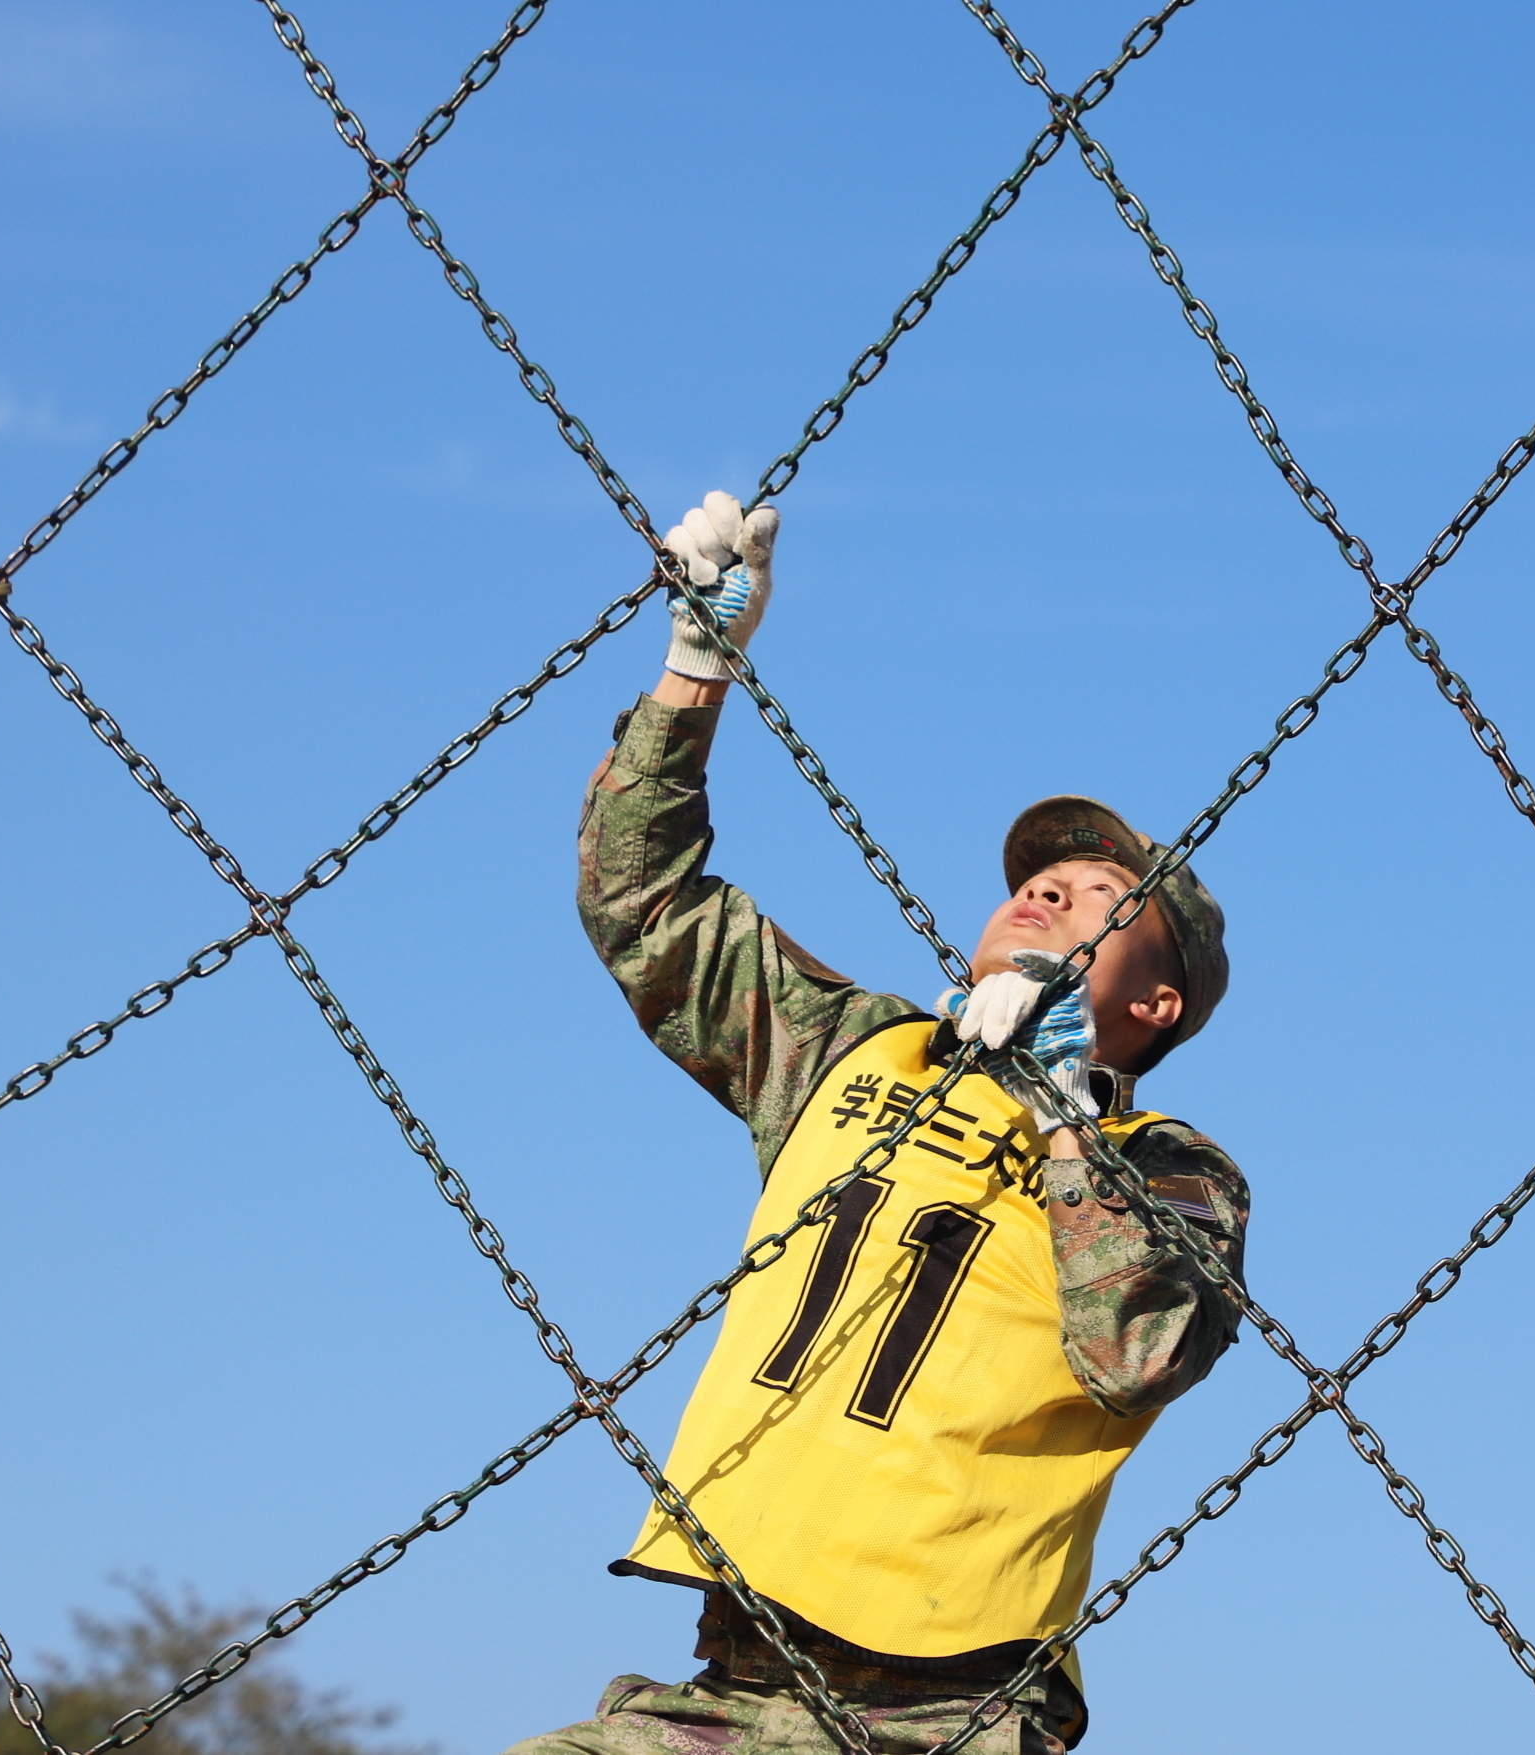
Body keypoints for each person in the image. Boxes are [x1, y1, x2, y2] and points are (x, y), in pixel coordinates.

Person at [506, 494, 1249, 1755]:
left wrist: (1063, 1111)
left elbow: (1143, 1351)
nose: (1045, 895)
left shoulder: (1167, 1165)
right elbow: (643, 908)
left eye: (1095, 900)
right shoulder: (856, 1050)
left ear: (1158, 1001)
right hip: (736, 1678)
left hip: (952, 1709)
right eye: (1032, 883)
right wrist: (694, 673)